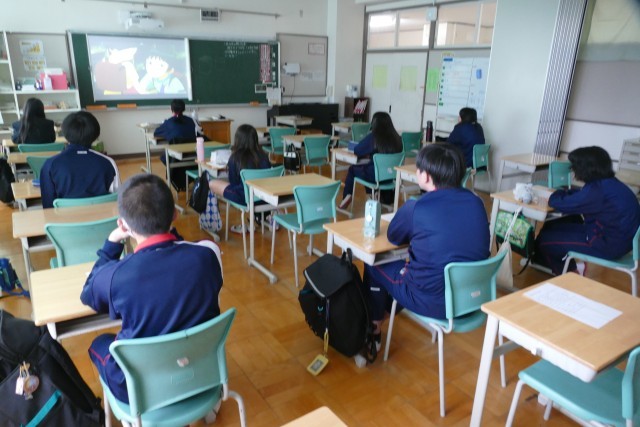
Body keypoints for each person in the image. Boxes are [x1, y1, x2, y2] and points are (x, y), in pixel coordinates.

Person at [81, 173, 223, 404]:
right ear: (175, 214)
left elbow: (88, 294)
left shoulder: (114, 276)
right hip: (201, 373)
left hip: (139, 390)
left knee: (100, 343)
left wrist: (111, 243)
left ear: (123, 225)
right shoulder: (207, 255)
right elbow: (181, 251)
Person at [365, 143, 489, 344]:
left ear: (427, 176)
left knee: (373, 262)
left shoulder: (417, 207)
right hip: (473, 299)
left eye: (418, 169)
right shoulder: (477, 202)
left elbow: (393, 237)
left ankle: (375, 327)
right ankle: (386, 312)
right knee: (416, 268)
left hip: (432, 302)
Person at [534, 146, 640, 275]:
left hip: (607, 245)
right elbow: (582, 195)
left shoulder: (597, 190)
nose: (573, 170)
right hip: (620, 241)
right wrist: (565, 192)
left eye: (574, 167)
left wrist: (556, 193)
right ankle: (565, 266)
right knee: (552, 226)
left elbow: (557, 202)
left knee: (545, 240)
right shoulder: (609, 183)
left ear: (585, 169)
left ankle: (570, 274)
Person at [40, 111, 119, 208]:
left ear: (65, 133)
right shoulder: (108, 162)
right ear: (96, 134)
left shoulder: (50, 164)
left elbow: (48, 205)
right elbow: (117, 198)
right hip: (102, 216)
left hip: (64, 217)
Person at [209, 124, 271, 233]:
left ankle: (211, 223)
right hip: (264, 198)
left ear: (238, 140)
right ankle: (262, 217)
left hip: (245, 198)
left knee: (211, 183)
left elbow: (233, 183)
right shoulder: (264, 156)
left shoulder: (235, 158)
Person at [338, 111, 403, 209]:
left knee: (353, 169)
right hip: (392, 177)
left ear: (374, 123)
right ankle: (374, 194)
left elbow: (358, 150)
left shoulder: (374, 137)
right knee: (367, 168)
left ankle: (347, 196)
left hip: (375, 177)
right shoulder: (397, 138)